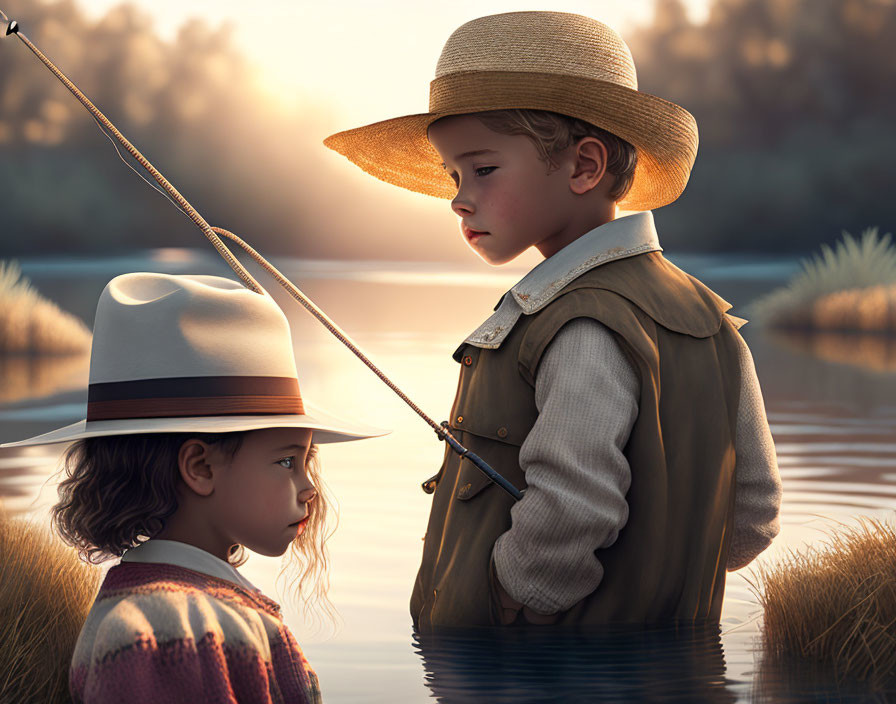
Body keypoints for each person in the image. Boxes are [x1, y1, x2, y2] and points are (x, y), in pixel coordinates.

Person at [324, 11, 782, 628]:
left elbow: (573, 509)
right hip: (674, 663)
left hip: (533, 670)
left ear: (583, 167)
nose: (459, 197)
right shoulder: (712, 318)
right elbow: (752, 515)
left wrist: (507, 601)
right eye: (452, 175)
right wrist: (660, 569)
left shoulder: (580, 326)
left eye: (483, 169)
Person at [1, 272, 387, 702]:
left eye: (305, 463)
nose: (309, 488)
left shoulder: (180, 611)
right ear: (200, 467)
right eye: (285, 461)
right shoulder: (162, 631)